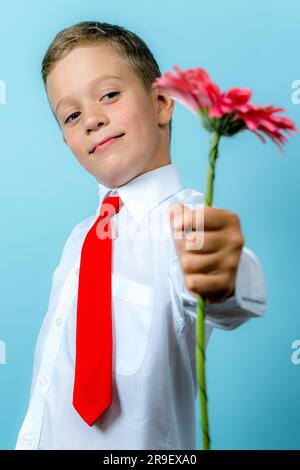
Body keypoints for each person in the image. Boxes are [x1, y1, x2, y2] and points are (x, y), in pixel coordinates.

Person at [15, 21, 266, 450]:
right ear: (66, 140)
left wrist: (228, 277)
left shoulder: (186, 225)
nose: (92, 119)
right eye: (72, 115)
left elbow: (223, 287)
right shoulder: (80, 239)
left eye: (109, 94)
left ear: (163, 103)